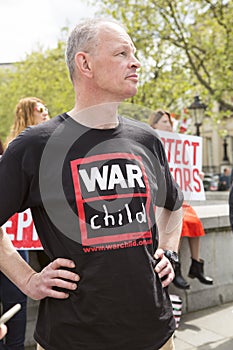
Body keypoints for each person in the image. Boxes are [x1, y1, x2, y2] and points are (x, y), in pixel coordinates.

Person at [0, 18, 184, 350]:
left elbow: (173, 203)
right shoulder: (35, 146)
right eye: (121, 53)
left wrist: (168, 250)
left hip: (157, 335)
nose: (136, 62)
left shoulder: (146, 138)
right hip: (72, 338)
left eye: (135, 53)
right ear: (84, 63)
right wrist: (27, 278)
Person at [0, 97, 49, 350]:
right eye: (41, 110)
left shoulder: (50, 147)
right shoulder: (14, 150)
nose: (46, 114)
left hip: (25, 238)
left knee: (16, 303)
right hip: (10, 237)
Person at [149, 109, 213, 289]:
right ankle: (174, 267)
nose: (168, 125)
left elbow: (186, 169)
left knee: (194, 222)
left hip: (178, 197)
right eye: (164, 122)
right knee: (177, 223)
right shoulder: (151, 143)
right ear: (154, 125)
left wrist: (195, 176)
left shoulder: (178, 145)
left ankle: (196, 264)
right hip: (161, 199)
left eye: (169, 122)